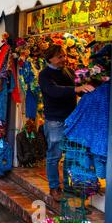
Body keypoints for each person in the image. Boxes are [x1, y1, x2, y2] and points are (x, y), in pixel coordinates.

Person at [38, 44, 95, 202]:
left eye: (64, 55)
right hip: (54, 121)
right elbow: (54, 91)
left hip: (72, 120)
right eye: (60, 56)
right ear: (50, 58)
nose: (64, 59)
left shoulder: (68, 71)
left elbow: (77, 88)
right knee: (54, 155)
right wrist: (76, 89)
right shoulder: (44, 75)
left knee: (71, 154)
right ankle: (54, 187)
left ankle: (70, 186)